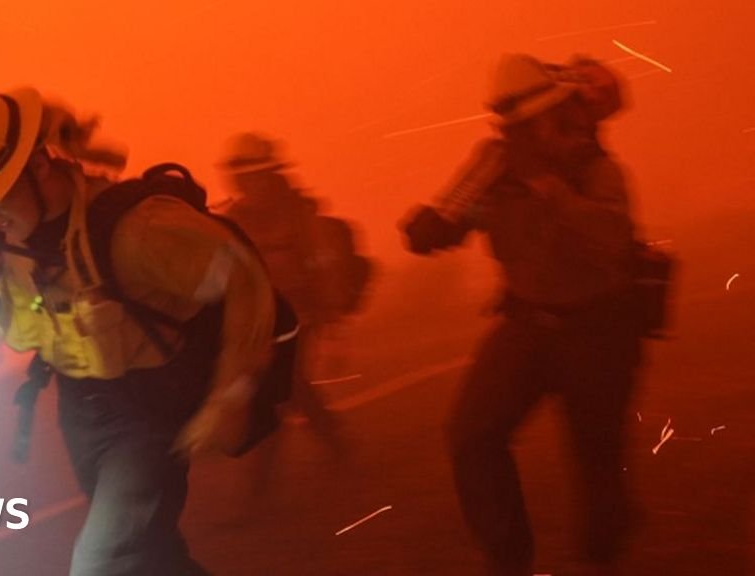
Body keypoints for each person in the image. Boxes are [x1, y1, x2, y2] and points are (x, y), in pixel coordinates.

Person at [0, 87, 279, 576]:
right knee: (152, 557)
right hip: (80, 409)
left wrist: (230, 394)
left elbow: (243, 282)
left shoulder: (139, 231)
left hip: (150, 408)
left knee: (103, 563)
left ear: (39, 167)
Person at [401, 54, 644, 575]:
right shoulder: (493, 164)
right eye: (511, 126)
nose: (518, 136)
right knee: (471, 435)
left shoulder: (594, 168)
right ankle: (508, 562)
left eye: (527, 124)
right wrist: (431, 230)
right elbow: (453, 213)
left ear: (555, 115)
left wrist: (551, 194)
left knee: (597, 463)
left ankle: (606, 551)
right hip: (528, 325)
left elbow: (613, 239)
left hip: (599, 332)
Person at [218, 132, 342, 455]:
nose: (245, 184)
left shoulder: (299, 215)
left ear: (270, 176)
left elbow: (324, 264)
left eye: (253, 176)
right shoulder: (232, 219)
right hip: (258, 317)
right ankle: (334, 441)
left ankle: (267, 477)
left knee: (286, 383)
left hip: (301, 313)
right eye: (241, 176)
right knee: (280, 387)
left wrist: (332, 322)